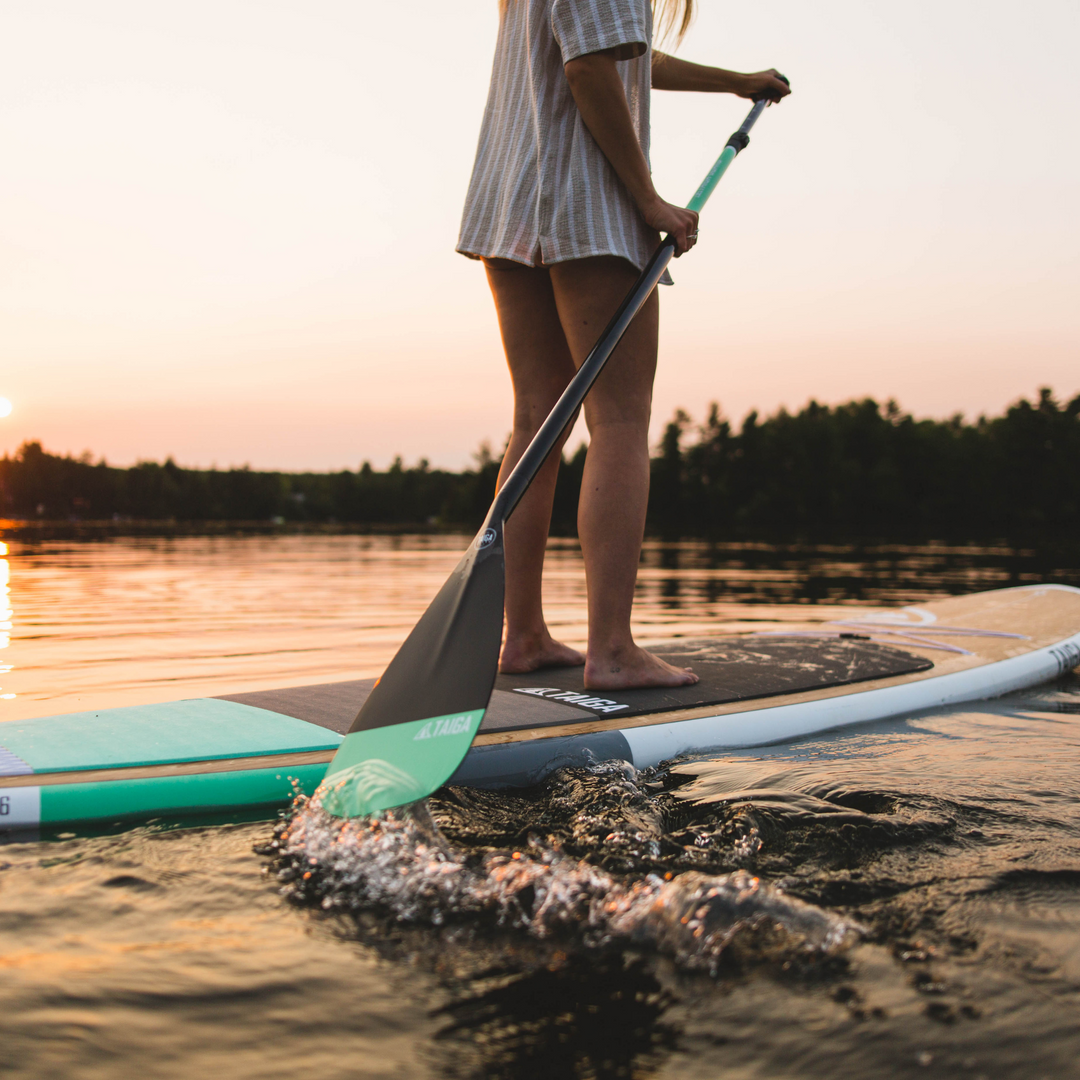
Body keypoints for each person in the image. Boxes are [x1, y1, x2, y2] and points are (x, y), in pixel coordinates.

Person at [457, 0, 789, 689]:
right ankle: (611, 650)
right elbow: (588, 70)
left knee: (537, 424)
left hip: (509, 201)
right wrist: (647, 200)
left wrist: (735, 80)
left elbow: (623, 54)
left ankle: (522, 637)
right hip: (587, 209)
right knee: (619, 421)